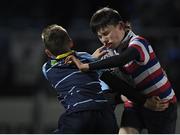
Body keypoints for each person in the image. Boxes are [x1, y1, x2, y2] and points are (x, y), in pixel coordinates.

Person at [65, 7, 177, 134]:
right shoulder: (107, 54)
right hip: (135, 104)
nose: (103, 40)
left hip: (162, 104)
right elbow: (112, 86)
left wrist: (89, 65)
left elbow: (121, 60)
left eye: (106, 33)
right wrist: (91, 60)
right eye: (100, 36)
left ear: (121, 26)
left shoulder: (138, 42)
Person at [41, 24, 119, 133]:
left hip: (79, 114)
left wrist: (91, 59)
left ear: (48, 52)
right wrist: (92, 59)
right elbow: (88, 69)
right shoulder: (86, 58)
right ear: (71, 42)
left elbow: (72, 70)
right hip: (104, 114)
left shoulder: (47, 69)